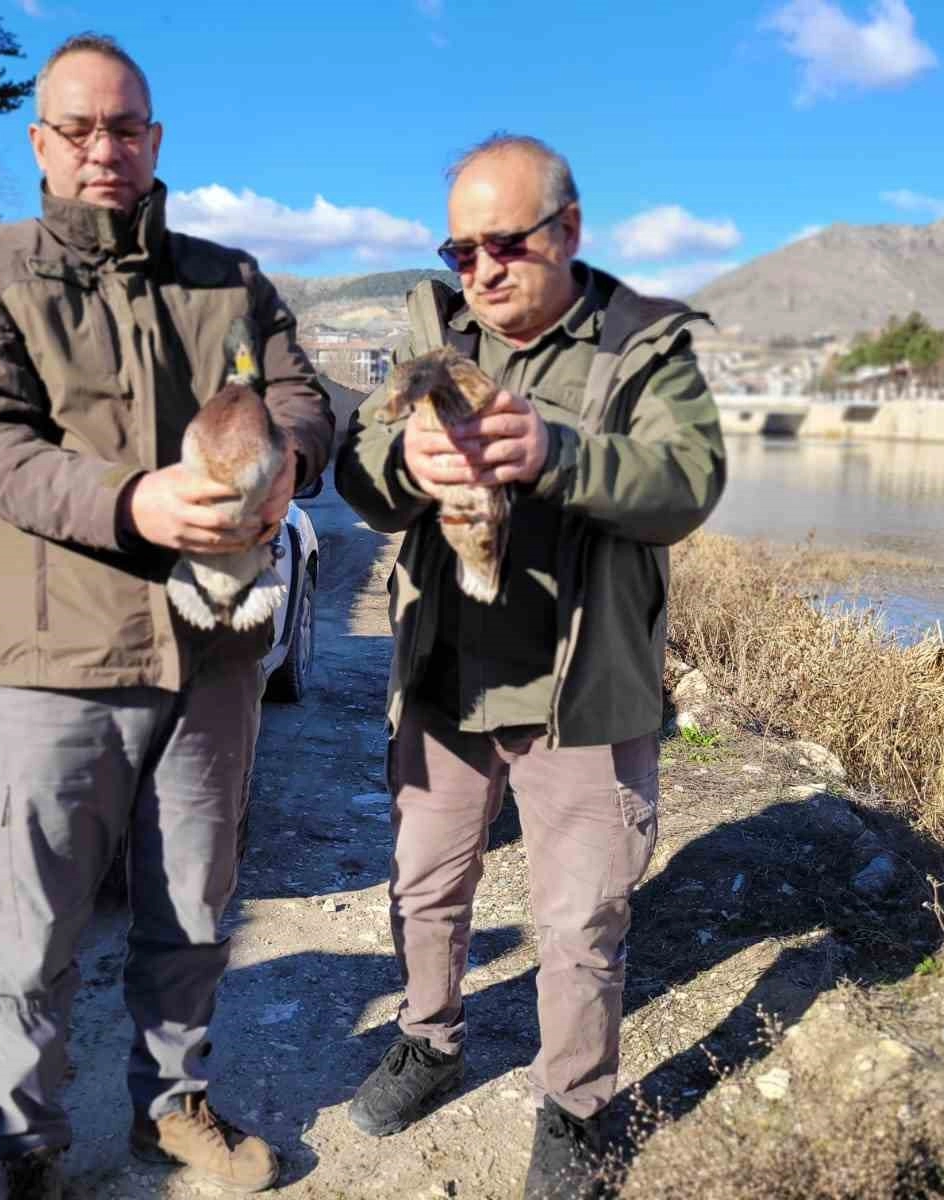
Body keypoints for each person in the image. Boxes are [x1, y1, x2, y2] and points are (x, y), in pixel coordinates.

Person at [0, 33, 332, 1200]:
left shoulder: (230, 281)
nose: (104, 146)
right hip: (54, 659)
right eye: (79, 127)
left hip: (212, 658)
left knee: (193, 908)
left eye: (125, 126)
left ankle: (171, 1109)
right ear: (40, 142)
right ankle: (26, 1133)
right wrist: (130, 502)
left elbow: (302, 396)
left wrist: (290, 461)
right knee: (34, 925)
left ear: (154, 139)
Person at [334, 134, 726, 1199]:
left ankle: (578, 1106)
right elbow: (358, 473)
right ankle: (428, 1041)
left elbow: (687, 480)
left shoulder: (640, 345)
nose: (482, 271)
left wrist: (557, 455)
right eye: (460, 251)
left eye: (503, 244)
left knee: (581, 918)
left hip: (583, 693)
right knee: (423, 885)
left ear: (569, 230)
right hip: (443, 680)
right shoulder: (434, 337)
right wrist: (402, 463)